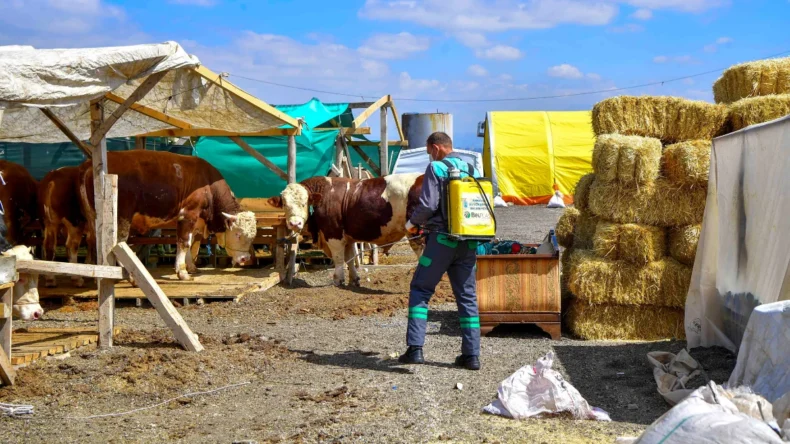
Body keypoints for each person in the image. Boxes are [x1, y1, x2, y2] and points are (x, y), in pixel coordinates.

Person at [398, 131, 485, 371]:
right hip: (468, 243)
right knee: (467, 297)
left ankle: (415, 349)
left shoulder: (435, 169)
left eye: (428, 152)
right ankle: (471, 356)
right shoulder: (471, 169)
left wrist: (411, 223)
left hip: (441, 242)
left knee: (420, 289)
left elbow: (427, 205)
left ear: (435, 148)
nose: (429, 157)